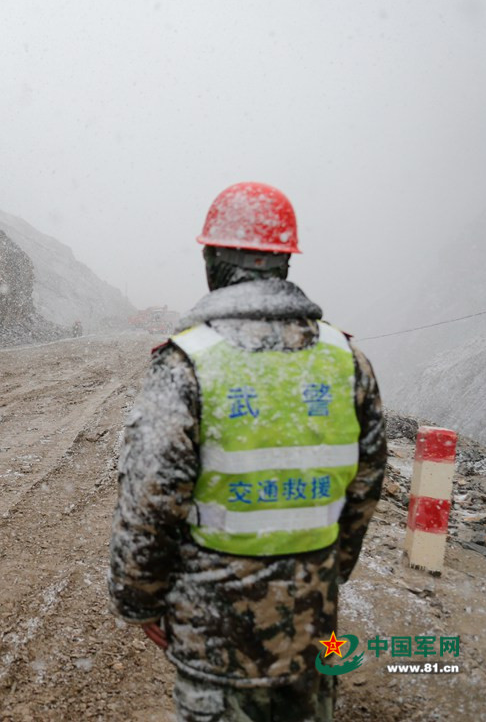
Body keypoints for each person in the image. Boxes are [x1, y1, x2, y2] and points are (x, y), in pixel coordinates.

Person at [108, 182, 387, 722]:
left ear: (211, 259)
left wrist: (139, 601)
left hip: (215, 638)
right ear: (285, 261)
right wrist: (323, 575)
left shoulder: (187, 363)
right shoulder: (346, 360)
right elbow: (365, 486)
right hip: (312, 632)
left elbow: (149, 500)